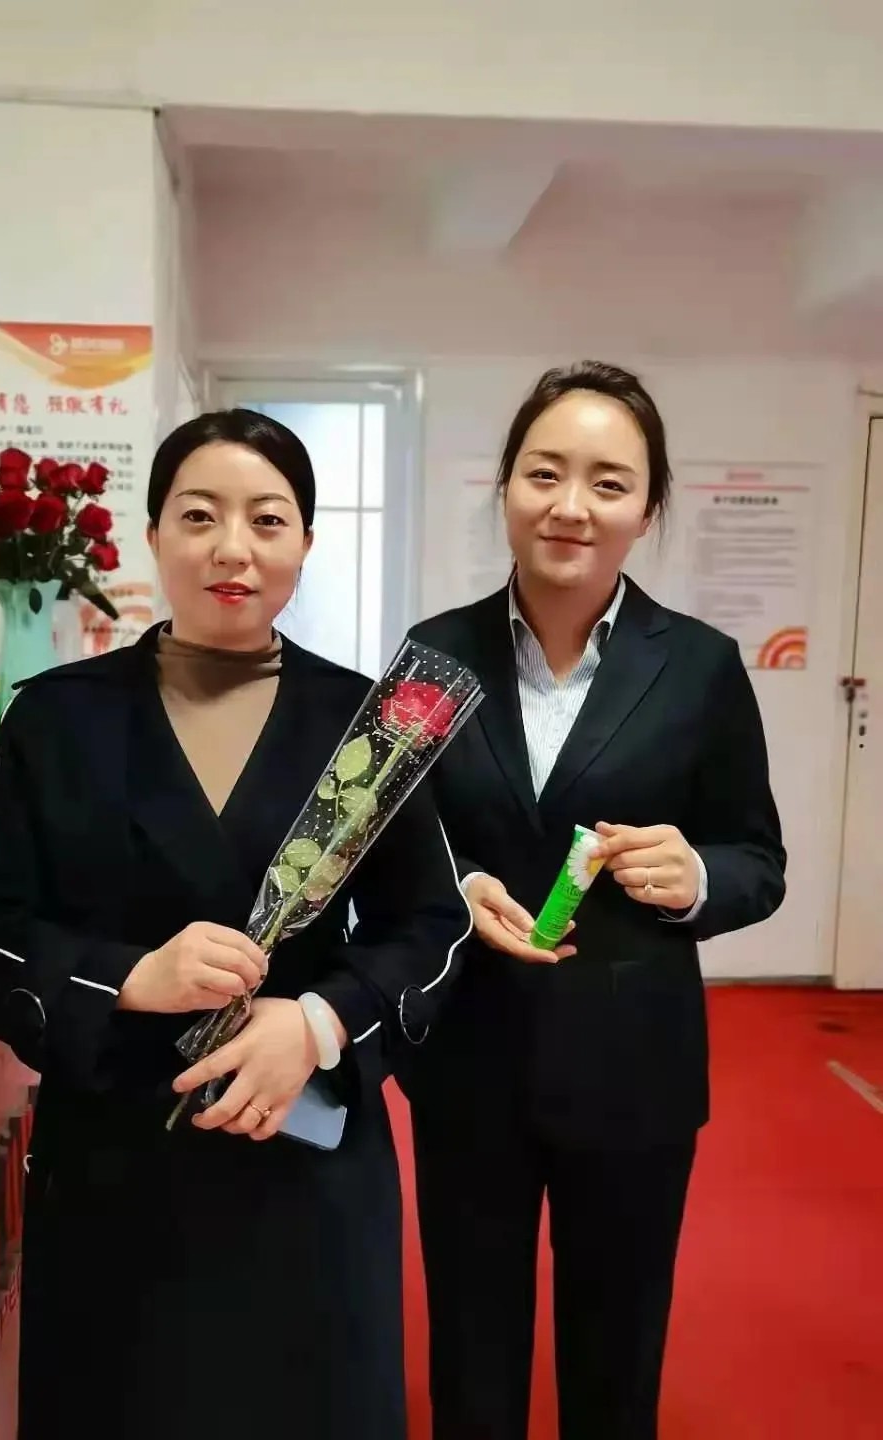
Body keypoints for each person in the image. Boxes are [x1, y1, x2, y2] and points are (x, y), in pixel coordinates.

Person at [0, 408, 470, 1440]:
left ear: (305, 542)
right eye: (199, 515)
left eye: (268, 519)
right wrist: (125, 978)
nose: (233, 548)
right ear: (152, 536)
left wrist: (316, 1021)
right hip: (119, 1167)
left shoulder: (368, 725)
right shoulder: (56, 717)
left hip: (306, 1154)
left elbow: (432, 927)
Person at [405, 361, 786, 1440]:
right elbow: (385, 847)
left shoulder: (701, 667)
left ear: (647, 510)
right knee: (471, 1348)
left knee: (617, 1355)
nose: (571, 506)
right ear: (506, 487)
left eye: (608, 483)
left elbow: (758, 859)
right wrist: (458, 887)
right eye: (545, 473)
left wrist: (698, 876)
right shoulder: (432, 655)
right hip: (470, 1059)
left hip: (633, 1069)